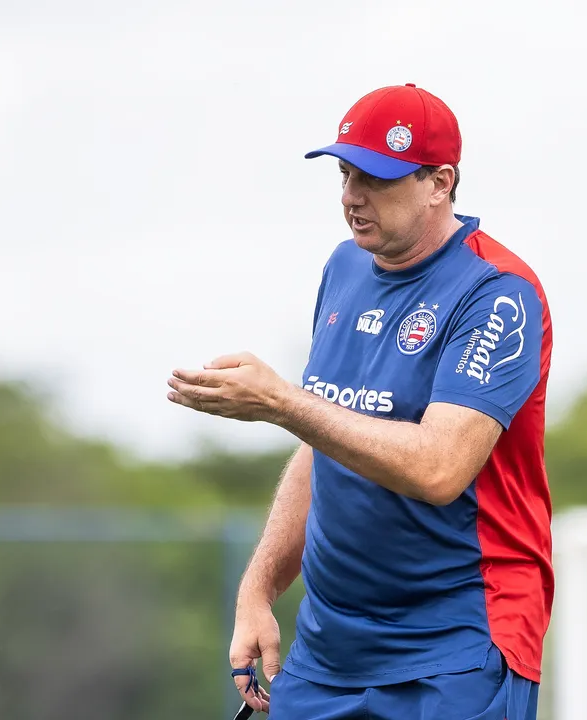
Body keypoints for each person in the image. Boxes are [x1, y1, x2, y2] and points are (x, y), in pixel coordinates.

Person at [167, 82, 554, 719]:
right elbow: (326, 441)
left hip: (457, 648)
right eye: (346, 175)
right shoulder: (344, 268)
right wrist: (259, 588)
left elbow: (438, 468)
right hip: (330, 652)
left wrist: (285, 403)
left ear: (440, 182)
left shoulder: (498, 292)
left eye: (376, 178)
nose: (352, 196)